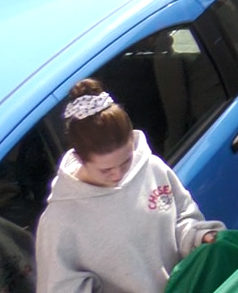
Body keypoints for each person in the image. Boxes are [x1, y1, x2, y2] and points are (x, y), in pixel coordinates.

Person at [33, 80, 222, 291]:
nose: (118, 175)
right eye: (105, 170)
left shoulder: (152, 167)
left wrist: (198, 236)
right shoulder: (59, 222)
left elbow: (182, 217)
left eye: (126, 162)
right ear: (79, 159)